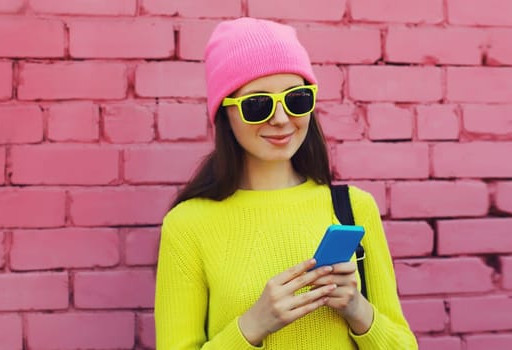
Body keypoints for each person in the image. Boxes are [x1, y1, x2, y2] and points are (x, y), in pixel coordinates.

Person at [154, 17, 418, 349]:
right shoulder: (187, 225)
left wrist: (358, 311)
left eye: (296, 99)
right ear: (225, 112)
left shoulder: (354, 208)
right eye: (257, 105)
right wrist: (252, 326)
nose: (280, 119)